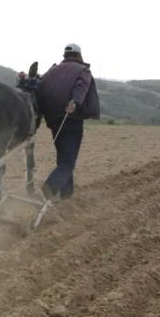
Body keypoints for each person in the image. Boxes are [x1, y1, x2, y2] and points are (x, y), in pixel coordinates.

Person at [35, 43, 100, 201]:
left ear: (65, 55)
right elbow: (81, 86)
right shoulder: (83, 70)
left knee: (63, 158)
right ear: (78, 55)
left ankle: (66, 195)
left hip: (53, 120)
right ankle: (46, 192)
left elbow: (40, 86)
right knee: (67, 163)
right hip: (70, 119)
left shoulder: (52, 70)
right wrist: (75, 102)